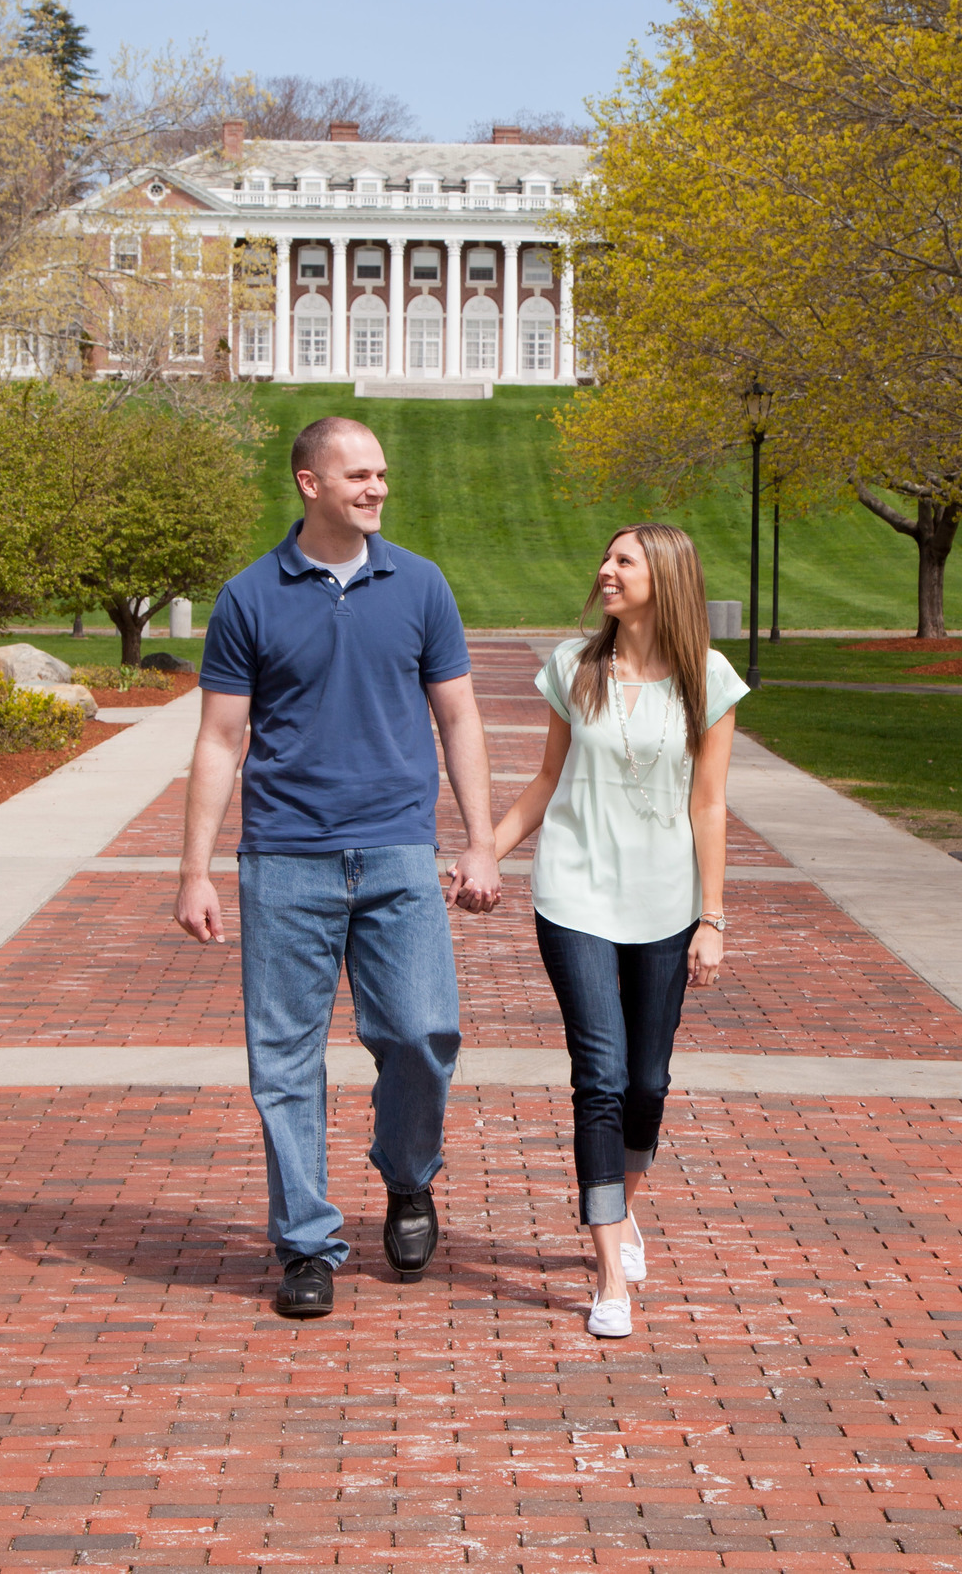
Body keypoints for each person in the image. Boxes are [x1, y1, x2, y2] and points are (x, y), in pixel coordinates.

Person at [174, 416, 502, 1320]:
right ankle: (306, 1244)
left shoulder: (421, 585)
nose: (377, 488)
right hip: (284, 858)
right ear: (309, 484)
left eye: (383, 474)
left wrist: (480, 840)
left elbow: (461, 720)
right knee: (283, 1060)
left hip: (399, 850)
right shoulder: (249, 597)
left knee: (425, 1034)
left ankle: (407, 1176)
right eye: (357, 474)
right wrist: (194, 869)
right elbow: (219, 739)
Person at [485, 523, 744, 1338]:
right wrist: (481, 853)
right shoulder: (574, 668)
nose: (604, 570)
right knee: (597, 1074)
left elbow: (709, 803)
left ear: (663, 576)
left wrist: (713, 917)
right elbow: (545, 779)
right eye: (604, 556)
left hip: (667, 905)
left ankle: (619, 1205)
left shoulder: (709, 679)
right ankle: (608, 1272)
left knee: (647, 1081)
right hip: (574, 894)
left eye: (623, 561)